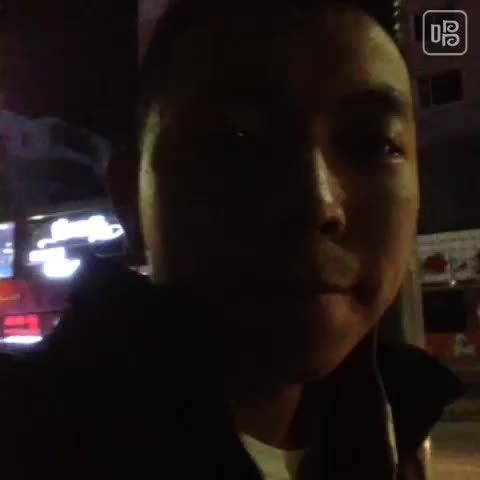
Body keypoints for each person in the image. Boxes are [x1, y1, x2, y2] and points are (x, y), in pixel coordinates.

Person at [0, 1, 463, 479]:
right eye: (235, 141)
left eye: (372, 144)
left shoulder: (395, 432)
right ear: (131, 198)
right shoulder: (25, 437)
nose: (318, 202)